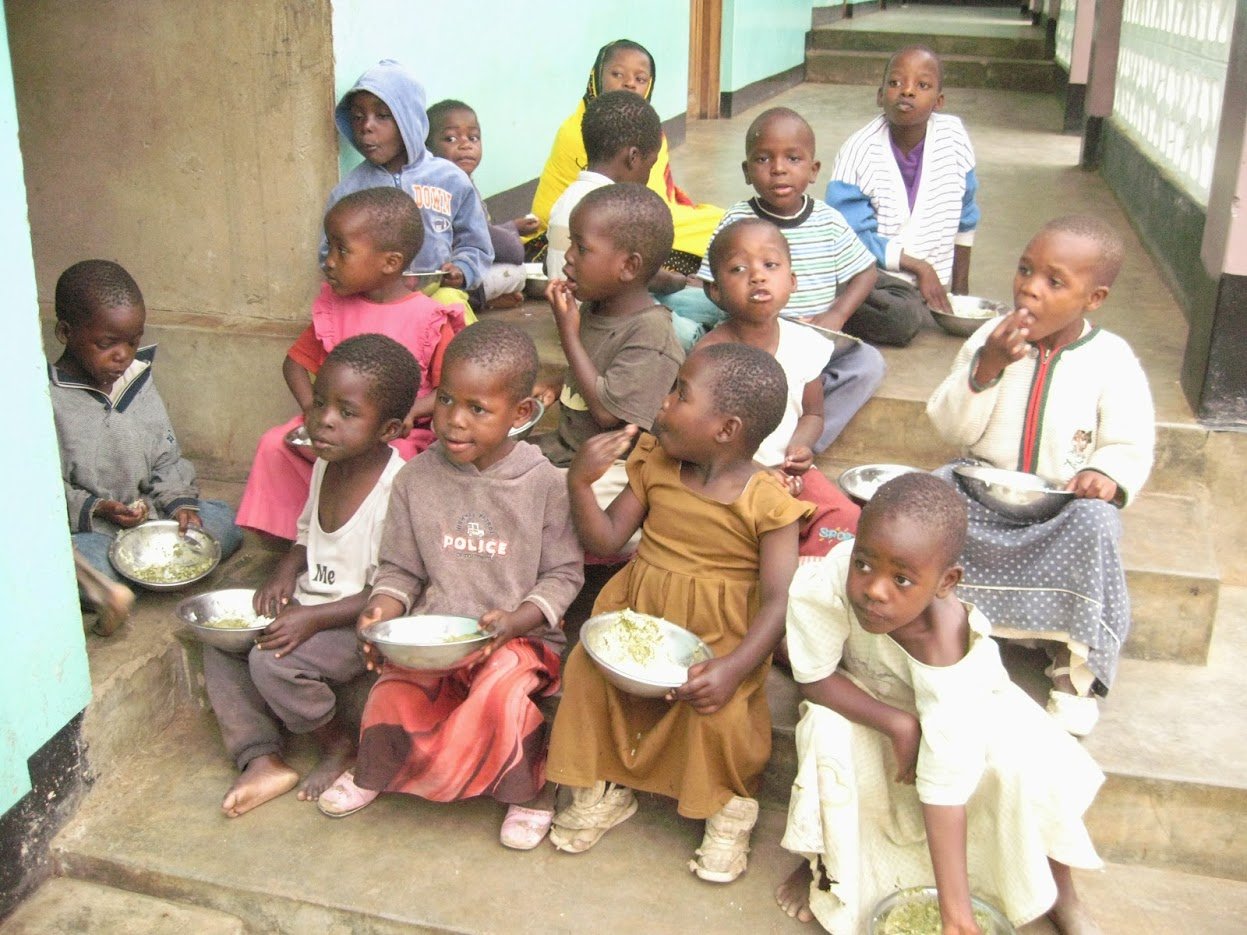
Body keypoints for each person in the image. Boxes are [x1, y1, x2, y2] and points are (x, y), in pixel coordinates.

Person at [775, 473, 1105, 934]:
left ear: (946, 582)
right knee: (825, 731)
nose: (874, 589)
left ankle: (1060, 893)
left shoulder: (947, 647)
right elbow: (815, 678)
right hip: (870, 702)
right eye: (864, 563)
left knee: (1019, 769)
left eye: (902, 579)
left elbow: (945, 786)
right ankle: (826, 864)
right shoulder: (832, 578)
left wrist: (956, 917)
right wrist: (899, 725)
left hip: (968, 713)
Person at [546, 343, 812, 883]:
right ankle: (606, 784)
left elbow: (779, 600)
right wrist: (579, 482)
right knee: (587, 676)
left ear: (726, 429)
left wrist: (734, 668)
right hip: (639, 621)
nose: (663, 403)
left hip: (720, 641)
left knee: (720, 713)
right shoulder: (654, 463)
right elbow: (606, 538)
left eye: (680, 394)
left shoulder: (769, 503)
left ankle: (729, 808)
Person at [317, 322, 584, 852]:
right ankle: (379, 770)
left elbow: (564, 575)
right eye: (445, 400)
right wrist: (381, 609)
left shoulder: (546, 485)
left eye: (477, 409)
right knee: (393, 691)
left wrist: (515, 621)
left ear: (521, 414)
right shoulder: (415, 479)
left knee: (501, 692)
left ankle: (531, 790)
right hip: (435, 634)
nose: (454, 420)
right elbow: (401, 569)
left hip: (520, 640)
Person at [926, 215, 1153, 736]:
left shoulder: (1111, 359)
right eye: (1025, 270)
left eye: (1054, 281)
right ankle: (942, 633)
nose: (1030, 288)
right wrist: (986, 369)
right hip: (981, 493)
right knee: (931, 495)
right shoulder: (988, 339)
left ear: (1093, 298)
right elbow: (949, 425)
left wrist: (1104, 472)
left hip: (1058, 510)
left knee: (1098, 522)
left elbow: (1129, 442)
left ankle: (1073, 668)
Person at [203, 335, 416, 817]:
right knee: (219, 640)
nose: (324, 419)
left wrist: (313, 619)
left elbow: (389, 588)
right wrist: (284, 571)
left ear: (387, 429)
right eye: (320, 403)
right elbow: (306, 535)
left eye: (346, 412)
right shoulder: (327, 463)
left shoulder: (397, 489)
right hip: (310, 606)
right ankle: (260, 756)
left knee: (273, 662)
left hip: (356, 624)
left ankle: (338, 744)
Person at [236, 187, 465, 543]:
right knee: (274, 444)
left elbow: (451, 390)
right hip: (337, 427)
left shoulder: (429, 318)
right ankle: (298, 542)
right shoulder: (333, 309)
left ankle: (380, 548)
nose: (329, 261)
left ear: (390, 262)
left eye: (342, 250)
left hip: (395, 435)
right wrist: (312, 409)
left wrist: (412, 411)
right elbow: (294, 364)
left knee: (397, 459)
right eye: (329, 247)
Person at [693, 108, 883, 449]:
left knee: (868, 363)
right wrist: (746, 312)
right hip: (751, 339)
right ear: (747, 171)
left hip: (813, 338)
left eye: (793, 159)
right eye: (763, 159)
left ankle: (801, 446)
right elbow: (711, 282)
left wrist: (837, 314)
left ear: (813, 170)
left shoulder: (828, 220)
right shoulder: (736, 220)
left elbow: (866, 272)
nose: (778, 169)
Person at [49, 260, 243, 590]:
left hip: (152, 515)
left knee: (224, 525)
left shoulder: (135, 379)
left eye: (132, 342)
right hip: (95, 528)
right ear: (66, 333)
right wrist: (99, 508)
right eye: (107, 344)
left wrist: (180, 504)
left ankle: (126, 579)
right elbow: (48, 488)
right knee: (85, 565)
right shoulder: (49, 398)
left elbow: (165, 456)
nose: (122, 356)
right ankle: (109, 579)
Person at [697, 218, 859, 557]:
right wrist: (756, 473)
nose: (757, 276)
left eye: (770, 265)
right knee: (723, 529)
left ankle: (802, 572)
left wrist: (800, 447)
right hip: (729, 476)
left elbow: (813, 414)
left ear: (792, 281)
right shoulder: (709, 356)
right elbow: (699, 438)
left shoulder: (805, 344)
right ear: (715, 291)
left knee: (844, 520)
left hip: (790, 475)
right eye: (738, 269)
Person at [534, 183, 684, 522]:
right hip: (568, 450)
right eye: (571, 243)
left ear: (628, 266)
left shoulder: (652, 334)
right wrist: (558, 385)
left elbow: (606, 413)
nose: (568, 256)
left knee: (524, 495)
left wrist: (568, 334)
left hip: (616, 472)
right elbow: (596, 365)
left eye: (582, 247)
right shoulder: (596, 307)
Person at [826, 45, 981, 345]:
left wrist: (960, 293)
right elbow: (849, 237)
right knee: (901, 318)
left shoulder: (954, 140)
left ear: (939, 101)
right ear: (879, 95)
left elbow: (966, 215)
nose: (907, 91)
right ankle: (831, 304)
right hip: (873, 277)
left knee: (909, 311)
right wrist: (919, 266)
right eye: (895, 82)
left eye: (922, 85)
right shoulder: (858, 152)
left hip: (929, 281)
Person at [527, 39, 722, 276]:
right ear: (596, 77)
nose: (630, 83)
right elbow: (636, 207)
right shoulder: (580, 131)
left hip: (632, 213)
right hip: (568, 234)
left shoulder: (649, 130)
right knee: (682, 248)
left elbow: (655, 198)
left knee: (719, 221)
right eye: (617, 74)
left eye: (640, 79)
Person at [323, 59, 493, 312]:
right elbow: (328, 253)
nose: (366, 126)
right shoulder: (349, 191)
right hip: (372, 301)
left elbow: (476, 243)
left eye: (383, 116)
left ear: (410, 120)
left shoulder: (451, 180)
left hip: (434, 294)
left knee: (452, 305)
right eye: (358, 117)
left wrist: (463, 268)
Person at [425, 99, 538, 311]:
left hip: (463, 267)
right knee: (517, 272)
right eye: (451, 138)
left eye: (473, 138)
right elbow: (508, 249)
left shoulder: (465, 181)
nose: (466, 145)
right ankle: (478, 301)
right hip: (450, 276)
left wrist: (512, 226)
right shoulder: (442, 188)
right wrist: (512, 238)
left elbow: (480, 234)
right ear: (427, 148)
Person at [544, 89, 662, 281]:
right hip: (593, 299)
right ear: (633, 157)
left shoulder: (564, 200)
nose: (648, 176)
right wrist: (675, 281)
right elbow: (641, 276)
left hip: (562, 297)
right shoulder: (615, 210)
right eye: (651, 165)